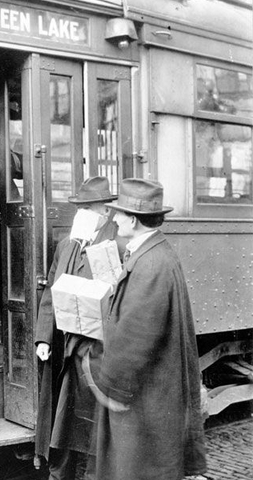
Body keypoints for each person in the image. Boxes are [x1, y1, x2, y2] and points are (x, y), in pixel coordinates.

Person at [82, 178, 207, 480]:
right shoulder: (156, 253)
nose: (114, 218)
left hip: (143, 398)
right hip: (154, 391)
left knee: (134, 468)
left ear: (134, 220)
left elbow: (135, 337)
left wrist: (108, 382)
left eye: (119, 213)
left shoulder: (149, 263)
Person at [35, 177, 121, 480]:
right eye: (80, 207)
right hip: (65, 347)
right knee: (62, 420)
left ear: (106, 211)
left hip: (96, 348)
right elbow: (50, 293)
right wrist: (43, 337)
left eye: (90, 207)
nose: (82, 213)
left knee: (94, 421)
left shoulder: (117, 244)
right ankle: (59, 474)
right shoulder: (67, 244)